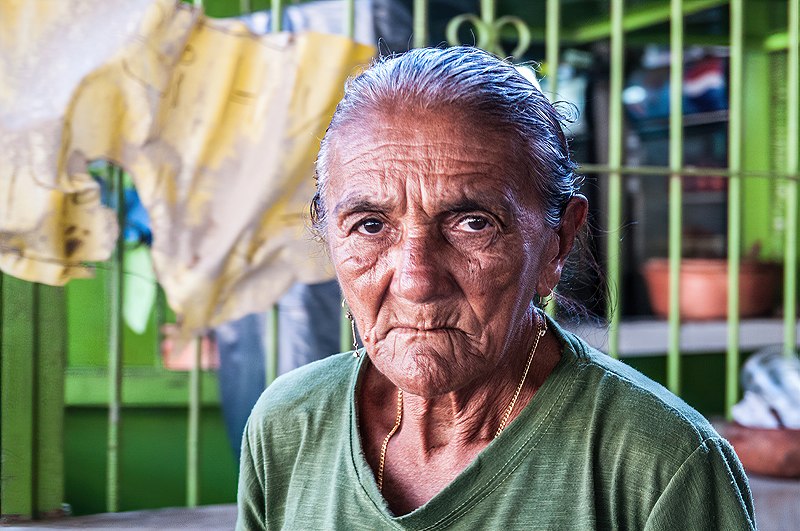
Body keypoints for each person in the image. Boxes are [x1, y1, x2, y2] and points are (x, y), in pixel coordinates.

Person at [236, 46, 756, 530]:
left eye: (472, 224)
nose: (416, 282)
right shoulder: (288, 425)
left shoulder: (660, 465)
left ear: (558, 242)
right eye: (370, 225)